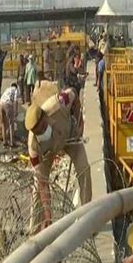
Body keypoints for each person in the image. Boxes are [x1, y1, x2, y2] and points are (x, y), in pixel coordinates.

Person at [25, 88, 91, 232]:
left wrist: (80, 123)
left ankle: (86, 218)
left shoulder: (59, 102)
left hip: (70, 137)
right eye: (38, 132)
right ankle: (36, 229)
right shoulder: (33, 146)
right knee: (37, 185)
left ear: (45, 116)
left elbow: (74, 95)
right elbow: (43, 183)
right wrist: (48, 215)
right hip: (48, 151)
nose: (42, 132)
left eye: (43, 128)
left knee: (84, 170)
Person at [0, 83, 19, 147]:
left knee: (3, 123)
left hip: (1, 103)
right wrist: (16, 111)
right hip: (7, 104)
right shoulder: (15, 90)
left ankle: (4, 141)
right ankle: (12, 142)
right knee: (11, 123)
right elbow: (15, 101)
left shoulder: (7, 89)